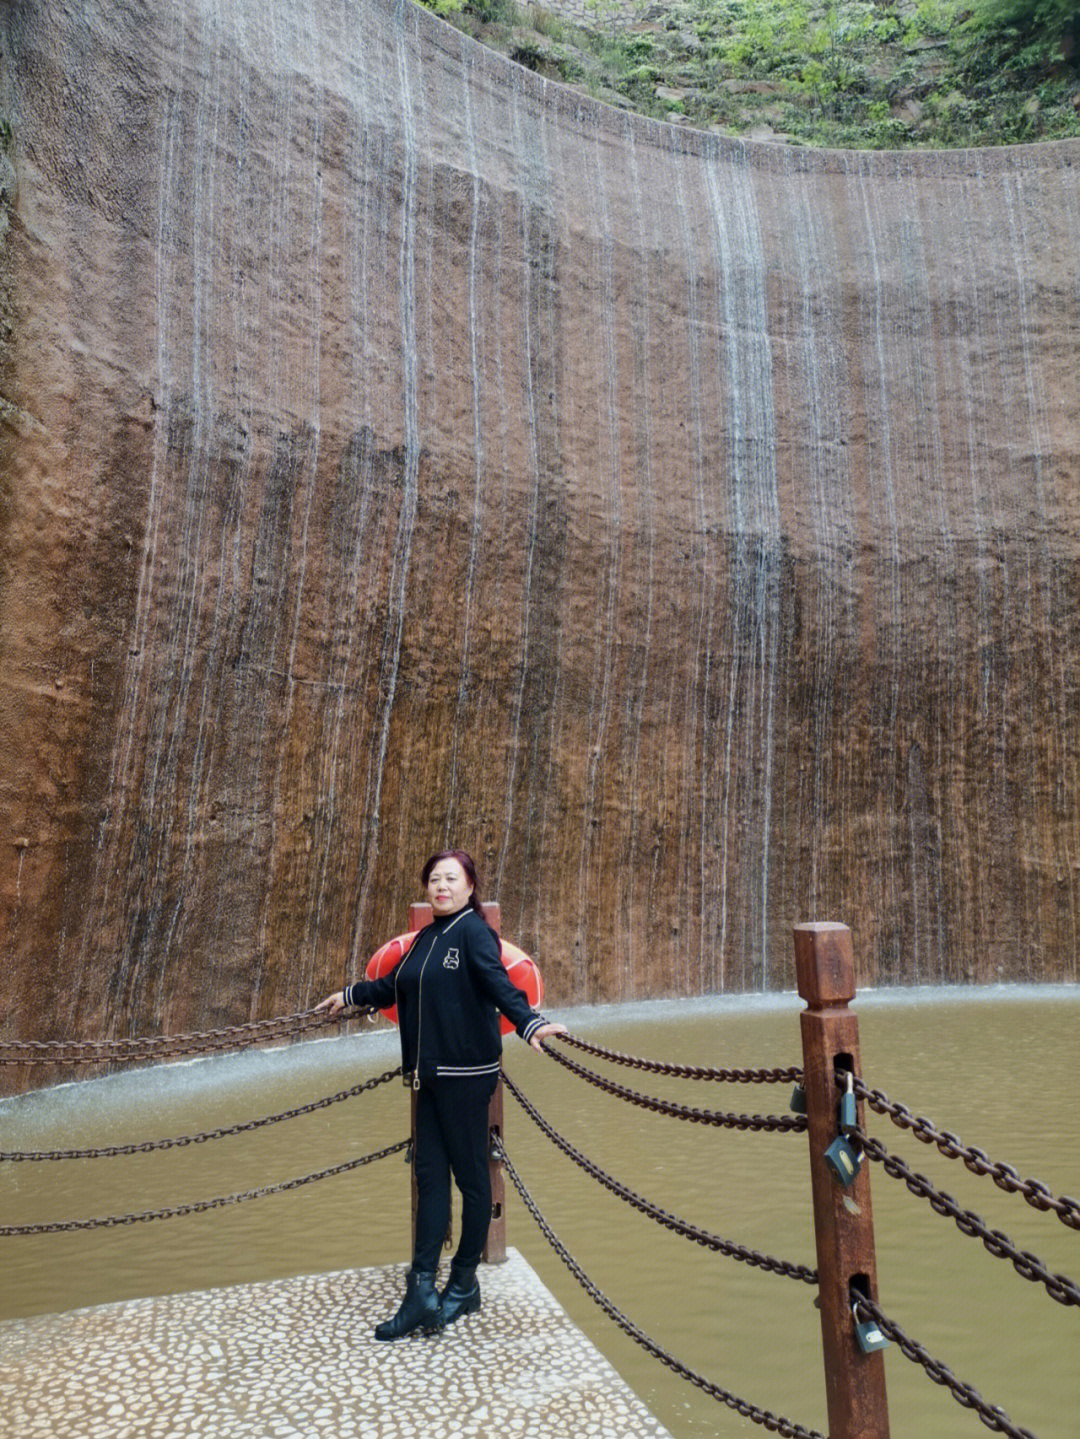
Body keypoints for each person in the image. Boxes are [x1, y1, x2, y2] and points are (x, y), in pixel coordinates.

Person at [315, 849, 567, 1341]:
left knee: (472, 1181)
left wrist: (530, 1023)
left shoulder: (474, 932)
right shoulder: (425, 939)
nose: (442, 886)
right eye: (434, 879)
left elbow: (499, 985)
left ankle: (464, 1282)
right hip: (427, 1077)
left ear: (471, 887)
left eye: (452, 878)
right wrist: (349, 995)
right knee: (431, 1180)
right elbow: (393, 987)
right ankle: (420, 1292)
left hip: (466, 1076)